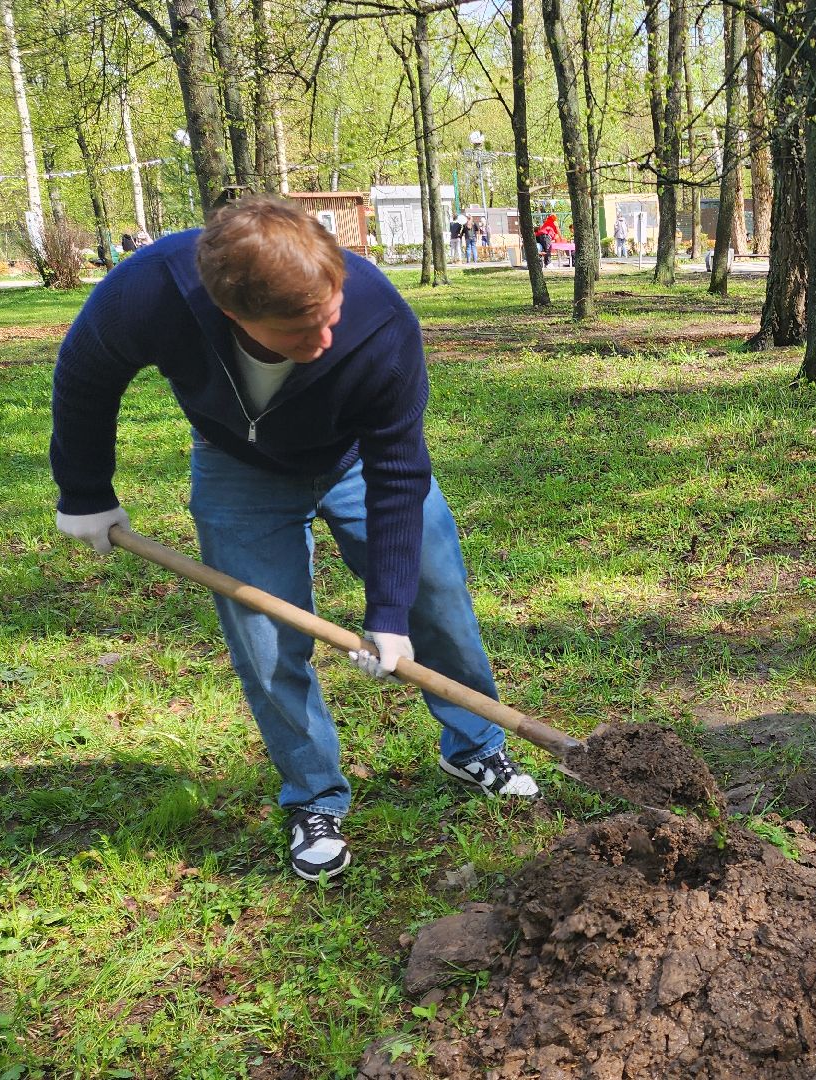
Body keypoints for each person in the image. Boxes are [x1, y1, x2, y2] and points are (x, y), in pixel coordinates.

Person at [50, 196, 540, 884]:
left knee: (434, 592)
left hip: (358, 459)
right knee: (266, 638)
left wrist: (388, 614)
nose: (326, 341)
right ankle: (313, 797)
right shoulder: (153, 289)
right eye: (302, 333)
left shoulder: (379, 318)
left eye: (330, 314)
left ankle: (474, 743)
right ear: (234, 315)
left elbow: (399, 471)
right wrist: (85, 491)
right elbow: (86, 371)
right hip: (237, 466)